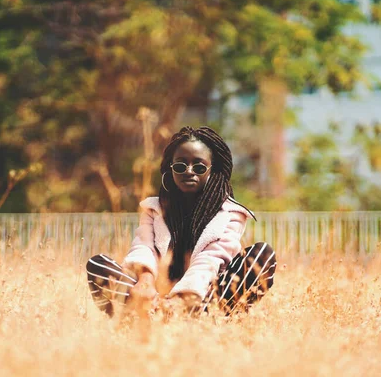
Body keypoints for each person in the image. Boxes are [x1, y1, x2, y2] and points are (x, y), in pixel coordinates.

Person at [86, 126, 276, 317]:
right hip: (153, 297)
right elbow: (144, 247)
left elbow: (211, 259)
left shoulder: (230, 213)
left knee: (262, 255)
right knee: (98, 265)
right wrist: (145, 282)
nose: (189, 171)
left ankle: (201, 319)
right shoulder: (154, 208)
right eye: (180, 165)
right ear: (170, 168)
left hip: (205, 298)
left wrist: (181, 300)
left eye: (199, 166)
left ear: (213, 170)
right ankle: (144, 317)